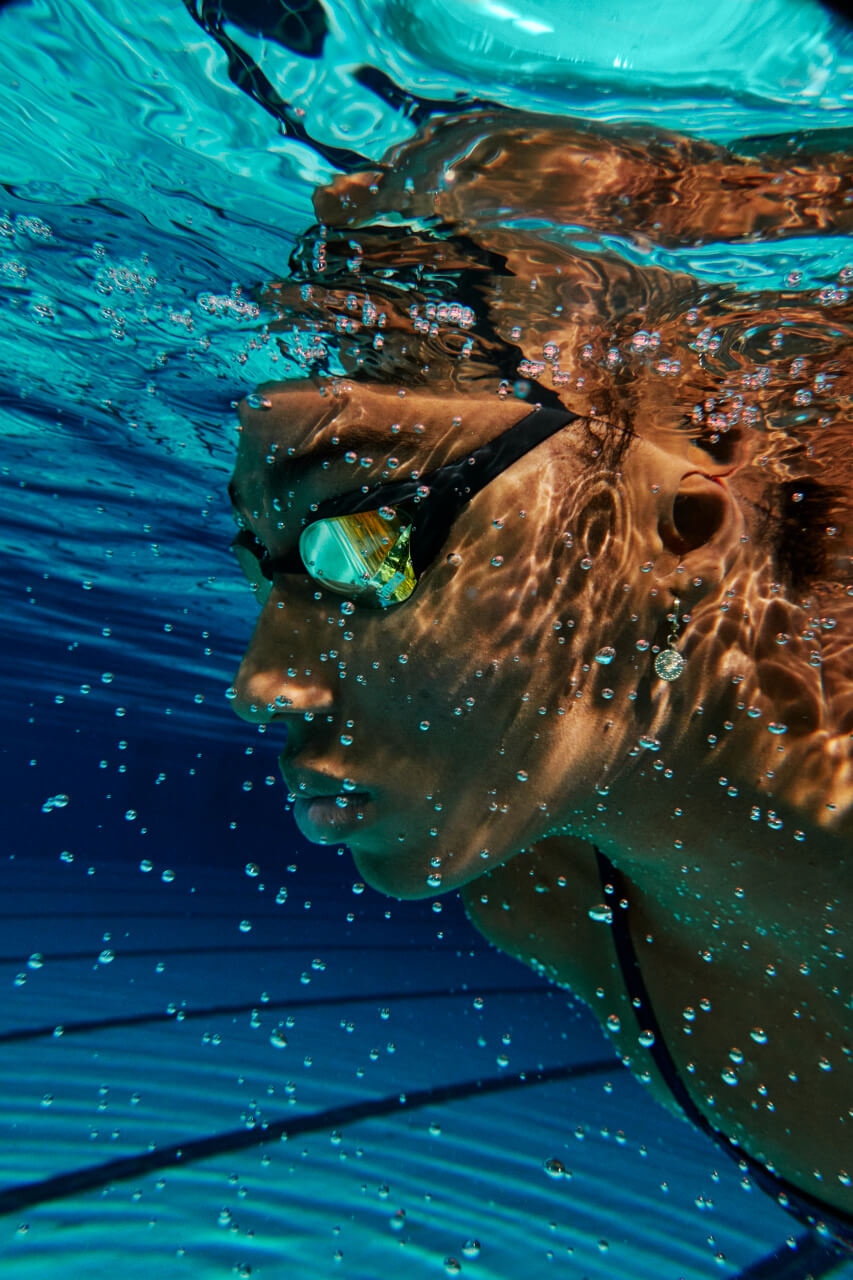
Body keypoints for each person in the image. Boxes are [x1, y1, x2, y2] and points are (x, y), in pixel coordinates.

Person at [226, 111, 853, 1247]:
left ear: (684, 525)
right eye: (263, 571)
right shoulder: (540, 899)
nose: (260, 681)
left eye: (365, 548)